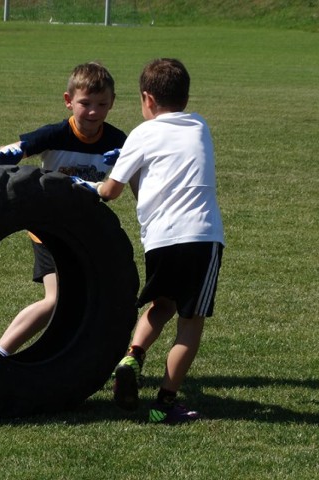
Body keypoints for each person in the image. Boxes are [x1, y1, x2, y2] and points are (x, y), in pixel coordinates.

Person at [80, 58, 225, 424]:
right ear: (186, 97)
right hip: (200, 235)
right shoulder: (199, 125)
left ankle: (133, 355)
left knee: (162, 304)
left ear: (146, 98)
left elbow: (110, 192)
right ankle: (164, 404)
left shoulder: (140, 135)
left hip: (160, 240)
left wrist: (88, 184)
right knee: (189, 323)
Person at [0, 61, 126, 357]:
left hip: (87, 228)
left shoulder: (118, 142)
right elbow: (6, 151)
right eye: (85, 103)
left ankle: (81, 359)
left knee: (94, 299)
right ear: (69, 102)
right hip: (49, 229)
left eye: (101, 104)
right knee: (55, 299)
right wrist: (9, 153)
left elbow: (122, 185)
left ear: (112, 103)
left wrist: (129, 158)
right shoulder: (55, 134)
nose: (93, 112)